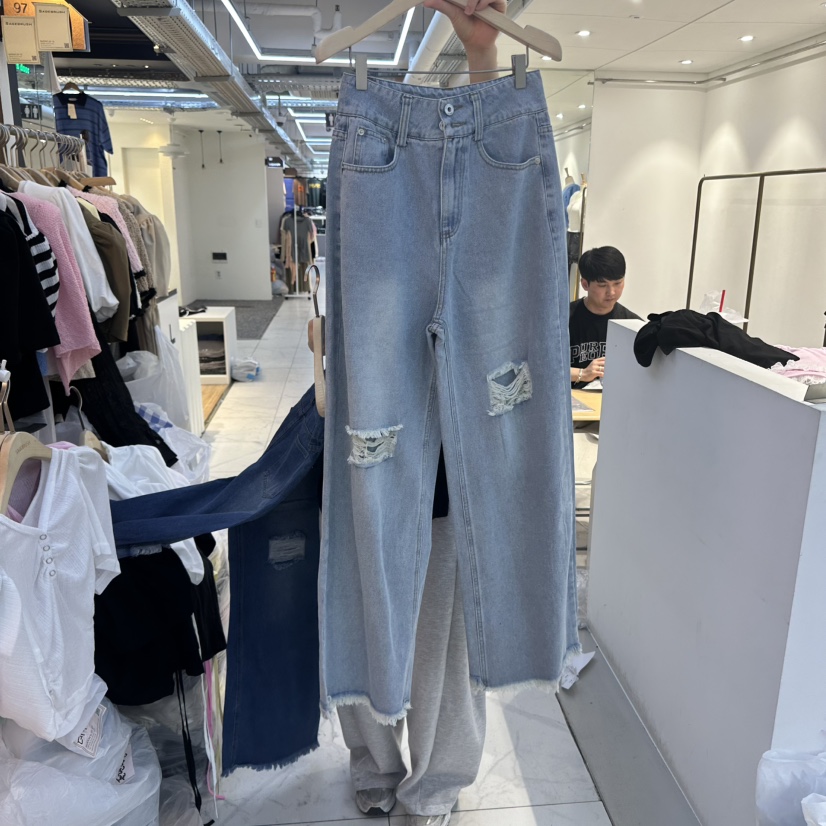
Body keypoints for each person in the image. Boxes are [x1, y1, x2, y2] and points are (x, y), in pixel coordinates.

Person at [337, 2, 505, 825]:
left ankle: (429, 783)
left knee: (442, 642)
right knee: (368, 618)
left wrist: (484, 60)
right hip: (367, 447)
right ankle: (380, 769)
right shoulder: (364, 202)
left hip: (447, 466)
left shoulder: (470, 219)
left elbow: (492, 240)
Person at [569, 246, 640, 388]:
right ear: (585, 284)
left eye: (617, 283)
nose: (611, 292)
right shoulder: (564, 319)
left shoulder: (632, 324)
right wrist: (582, 373)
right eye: (602, 285)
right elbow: (542, 368)